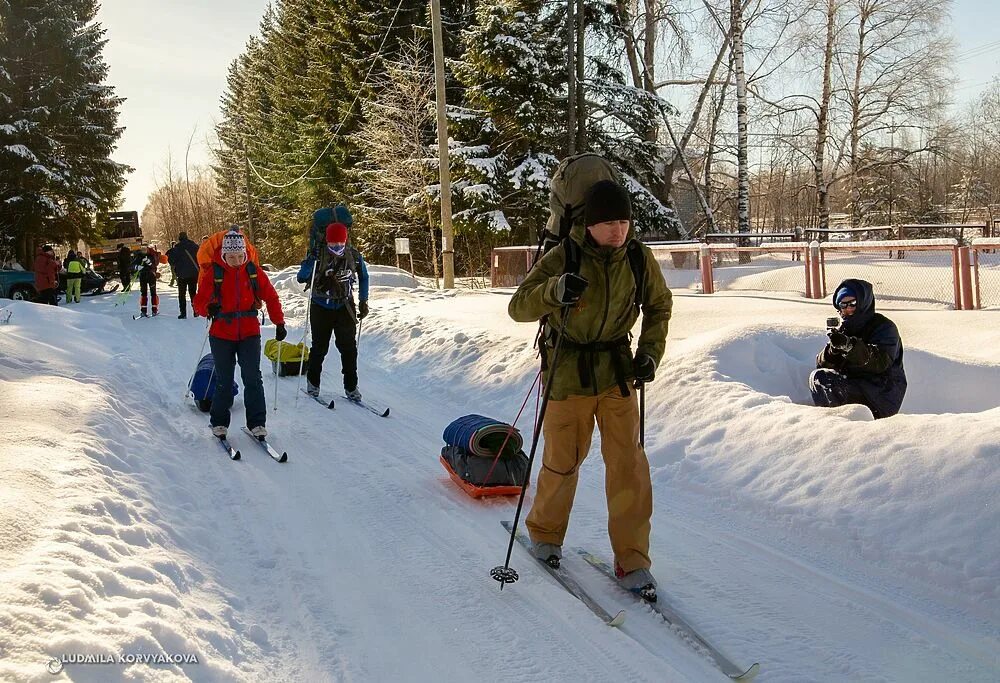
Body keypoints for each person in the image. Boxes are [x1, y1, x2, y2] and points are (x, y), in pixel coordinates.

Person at [508, 179, 673, 601]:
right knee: (562, 463)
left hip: (618, 372)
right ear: (589, 224)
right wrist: (555, 290)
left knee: (629, 468)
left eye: (624, 221)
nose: (618, 230)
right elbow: (519, 307)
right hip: (567, 371)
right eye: (608, 223)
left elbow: (659, 307)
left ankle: (633, 560)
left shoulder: (637, 257)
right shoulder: (565, 255)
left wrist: (651, 353)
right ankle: (545, 535)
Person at [193, 229, 286, 439]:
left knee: (253, 378)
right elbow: (198, 302)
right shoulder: (214, 274)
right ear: (224, 255)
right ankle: (219, 422)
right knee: (224, 380)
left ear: (246, 254)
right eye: (231, 257)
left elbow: (271, 297)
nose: (236, 261)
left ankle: (257, 423)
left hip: (249, 333)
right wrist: (208, 308)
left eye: (240, 256)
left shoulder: (253, 272)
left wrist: (279, 322)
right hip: (221, 334)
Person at [810, 278, 907, 419]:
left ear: (863, 302)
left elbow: (879, 362)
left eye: (852, 304)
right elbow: (821, 365)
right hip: (856, 386)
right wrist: (832, 351)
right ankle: (834, 425)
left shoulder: (884, 327)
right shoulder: (845, 329)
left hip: (881, 394)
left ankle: (848, 425)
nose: (848, 309)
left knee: (825, 380)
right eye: (843, 305)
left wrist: (850, 347)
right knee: (820, 378)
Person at [297, 220, 370, 401]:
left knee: (349, 349)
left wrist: (363, 301)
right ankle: (313, 385)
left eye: (340, 243)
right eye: (332, 243)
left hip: (344, 306)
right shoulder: (318, 255)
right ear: (326, 241)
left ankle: (351, 387)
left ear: (345, 241)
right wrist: (311, 260)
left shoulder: (353, 255)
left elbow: (364, 277)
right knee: (319, 348)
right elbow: (301, 277)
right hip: (321, 306)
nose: (337, 246)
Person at [167, 232, 201, 318]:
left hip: (182, 275)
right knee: (193, 293)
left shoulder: (177, 248)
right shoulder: (195, 246)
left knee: (182, 294)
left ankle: (183, 313)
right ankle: (196, 311)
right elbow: (200, 257)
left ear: (179, 238)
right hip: (194, 274)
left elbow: (172, 261)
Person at [134, 245, 161, 317]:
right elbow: (132, 265)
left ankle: (154, 310)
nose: (143, 251)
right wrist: (137, 267)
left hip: (151, 276)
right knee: (143, 293)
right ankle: (143, 311)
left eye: (145, 249)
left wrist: (148, 262)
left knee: (153, 293)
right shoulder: (139, 256)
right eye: (142, 250)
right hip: (143, 276)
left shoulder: (151, 256)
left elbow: (153, 265)